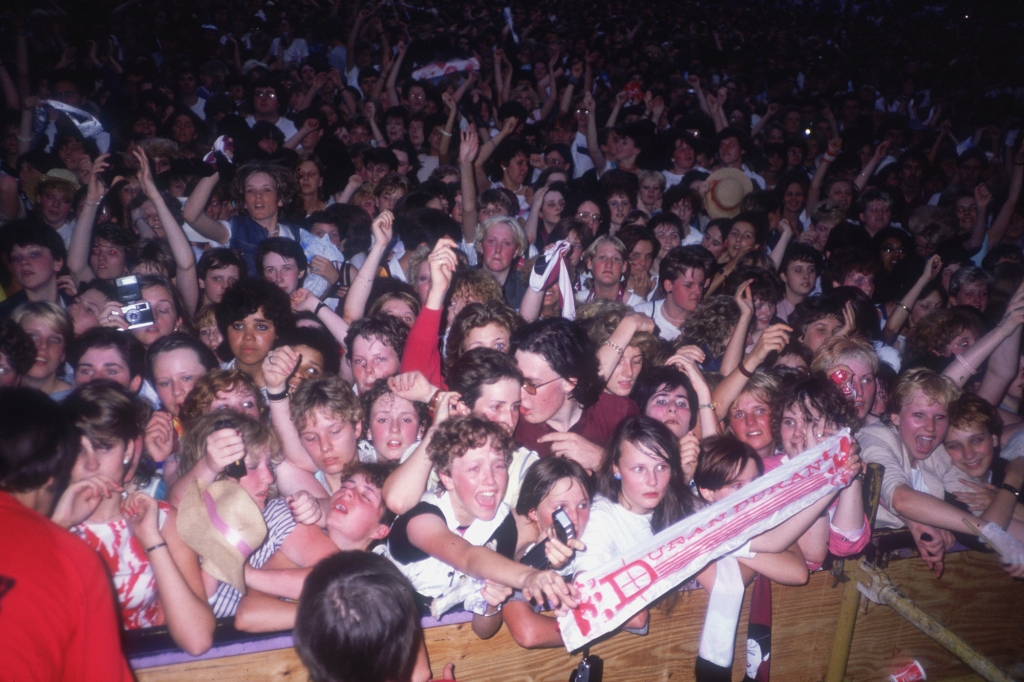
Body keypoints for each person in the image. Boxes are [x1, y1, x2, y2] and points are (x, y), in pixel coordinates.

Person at [57, 381, 215, 654]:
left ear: (128, 451)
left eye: (104, 447)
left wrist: (152, 541)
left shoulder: (161, 520)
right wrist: (58, 529)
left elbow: (197, 640)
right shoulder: (44, 521)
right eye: (78, 450)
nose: (91, 464)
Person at [385, 415, 575, 639]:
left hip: (450, 639)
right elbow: (468, 556)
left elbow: (483, 631)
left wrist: (492, 604)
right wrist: (529, 577)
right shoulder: (421, 518)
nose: (491, 480)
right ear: (446, 478)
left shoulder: (502, 524)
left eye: (498, 466)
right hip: (387, 627)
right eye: (474, 469)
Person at [0, 387, 135, 682]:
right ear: (55, 467)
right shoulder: (71, 558)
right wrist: (56, 533)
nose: (90, 464)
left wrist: (57, 525)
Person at [858, 368, 1024, 577]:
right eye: (919, 415)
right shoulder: (874, 439)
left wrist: (1011, 484)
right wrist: (994, 533)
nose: (930, 427)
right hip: (863, 563)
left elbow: (987, 516)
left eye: (939, 416)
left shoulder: (938, 454)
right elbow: (900, 498)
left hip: (912, 569)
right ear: (896, 417)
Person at [512, 317, 639, 470]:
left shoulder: (619, 413)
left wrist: (602, 461)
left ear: (570, 382)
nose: (518, 394)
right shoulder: (511, 425)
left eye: (531, 384)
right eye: (516, 379)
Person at [503, 456, 592, 648]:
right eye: (561, 508)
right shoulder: (519, 529)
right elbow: (527, 632)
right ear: (533, 512)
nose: (575, 518)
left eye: (582, 505)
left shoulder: (598, 521)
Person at [11, 301, 74, 400]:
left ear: (63, 354)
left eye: (55, 339)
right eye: (32, 336)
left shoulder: (77, 404)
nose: (44, 345)